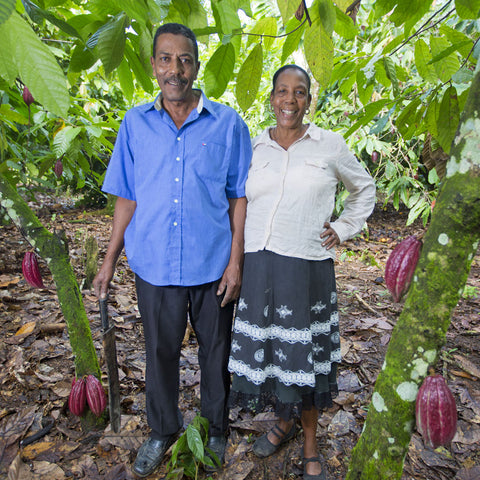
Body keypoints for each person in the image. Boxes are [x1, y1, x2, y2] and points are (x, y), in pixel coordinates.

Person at [92, 23, 252, 478]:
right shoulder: (135, 123)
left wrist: (236, 260)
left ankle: (215, 427)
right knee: (160, 351)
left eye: (184, 59)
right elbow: (127, 195)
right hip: (155, 264)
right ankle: (162, 430)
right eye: (166, 58)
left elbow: (239, 195)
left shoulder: (227, 124)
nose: (175, 69)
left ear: (197, 66)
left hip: (212, 263)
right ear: (154, 65)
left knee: (215, 353)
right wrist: (109, 260)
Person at [228, 65, 376, 480]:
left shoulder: (328, 145)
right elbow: (240, 202)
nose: (289, 100)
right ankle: (284, 421)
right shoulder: (257, 147)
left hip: (306, 267)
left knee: (301, 356)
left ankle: (310, 443)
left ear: (309, 100)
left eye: (299, 92)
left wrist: (344, 229)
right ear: (271, 97)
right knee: (275, 353)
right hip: (260, 265)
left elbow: (364, 188)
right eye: (281, 91)